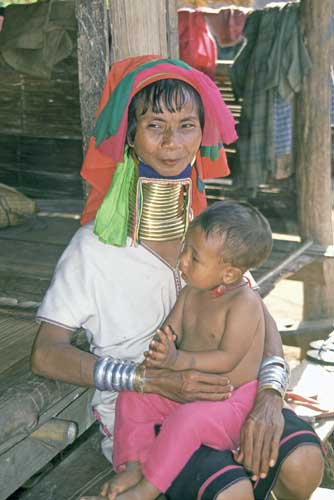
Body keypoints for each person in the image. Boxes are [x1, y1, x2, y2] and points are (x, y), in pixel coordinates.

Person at [31, 56, 324, 500]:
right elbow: (45, 355)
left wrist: (269, 394)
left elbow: (259, 322)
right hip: (147, 413)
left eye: (187, 125)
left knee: (305, 464)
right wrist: (144, 380)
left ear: (202, 136)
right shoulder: (94, 248)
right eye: (154, 125)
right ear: (130, 137)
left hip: (230, 397)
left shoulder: (212, 234)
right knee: (233, 494)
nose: (172, 142)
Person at [105, 200, 271, 500]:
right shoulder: (190, 293)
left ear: (230, 273)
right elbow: (169, 332)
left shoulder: (244, 303)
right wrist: (160, 350)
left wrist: (178, 359)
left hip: (231, 403)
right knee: (132, 395)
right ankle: (132, 465)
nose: (182, 261)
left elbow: (228, 358)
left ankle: (147, 490)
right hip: (190, 390)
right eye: (185, 249)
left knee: (187, 421)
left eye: (194, 258)